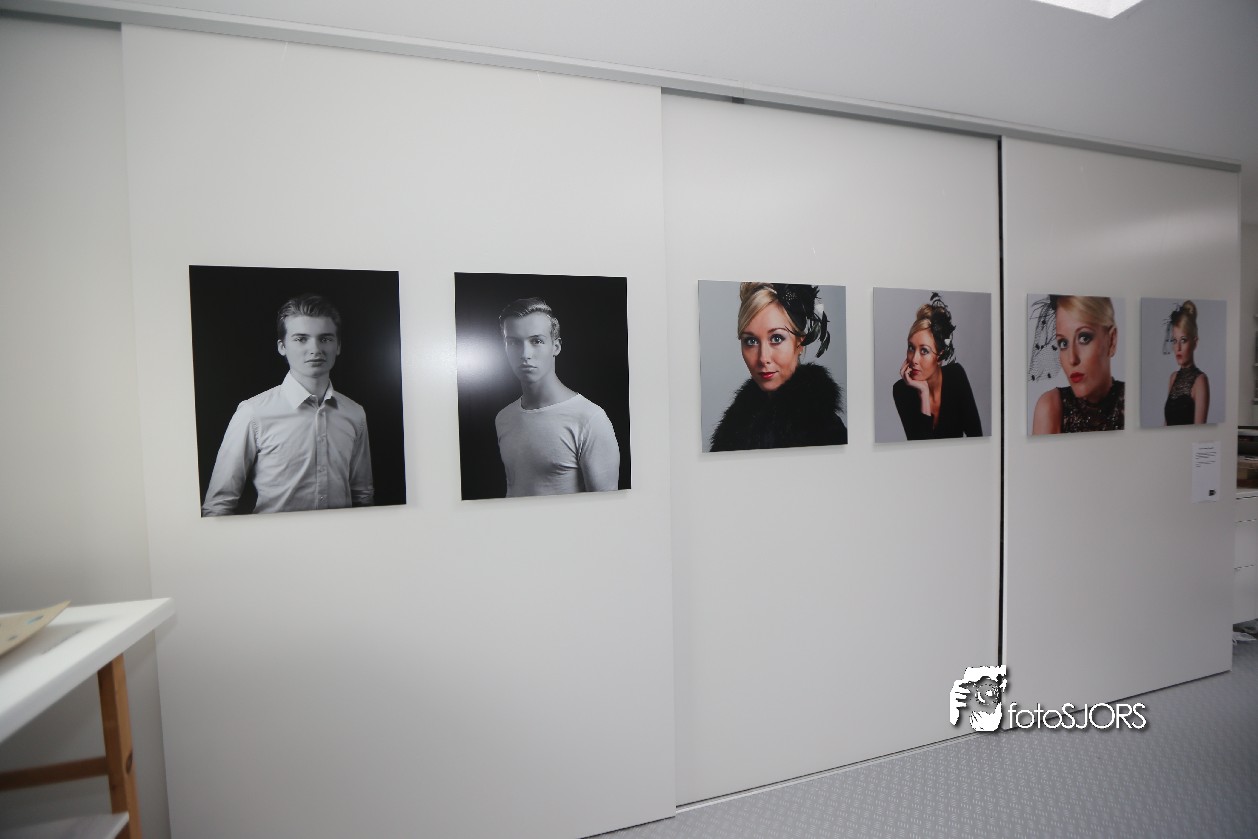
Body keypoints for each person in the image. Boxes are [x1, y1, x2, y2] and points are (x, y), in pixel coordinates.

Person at [202, 293, 373, 515]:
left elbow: (363, 497)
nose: (315, 349)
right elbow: (218, 505)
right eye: (301, 339)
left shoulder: (354, 413)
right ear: (282, 347)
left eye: (325, 339)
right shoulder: (253, 413)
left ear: (338, 346)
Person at [494, 297, 620, 496]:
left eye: (536, 341)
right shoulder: (504, 418)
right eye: (513, 342)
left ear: (556, 346)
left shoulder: (590, 419)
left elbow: (607, 507)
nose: (525, 354)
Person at [709, 283, 847, 451]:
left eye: (776, 338)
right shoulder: (736, 425)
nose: (763, 358)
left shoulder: (826, 432)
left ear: (799, 343)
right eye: (751, 341)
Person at [891, 293, 982, 439]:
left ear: (940, 356)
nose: (914, 359)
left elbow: (976, 436)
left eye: (924, 351)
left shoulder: (956, 376)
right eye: (911, 348)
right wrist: (924, 394)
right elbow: (920, 447)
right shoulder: (902, 390)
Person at [1030, 295, 1124, 435]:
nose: (1072, 359)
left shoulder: (1133, 400)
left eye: (1084, 338)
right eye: (1063, 343)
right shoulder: (1051, 407)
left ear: (1111, 340)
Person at [1164, 300, 1210, 426]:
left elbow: (1199, 430)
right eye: (1175, 341)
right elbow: (1165, 424)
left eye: (1183, 340)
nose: (1178, 348)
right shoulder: (1173, 378)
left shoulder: (1200, 380)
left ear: (1195, 342)